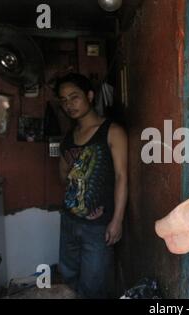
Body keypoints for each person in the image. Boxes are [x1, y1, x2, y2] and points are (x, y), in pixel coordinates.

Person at [55, 73, 128, 298]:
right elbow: (62, 177)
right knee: (67, 279)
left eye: (74, 97)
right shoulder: (70, 136)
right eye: (64, 100)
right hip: (69, 220)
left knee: (93, 287)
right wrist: (69, 168)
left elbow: (121, 177)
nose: (69, 104)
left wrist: (117, 220)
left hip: (97, 227)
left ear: (89, 95)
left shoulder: (112, 131)